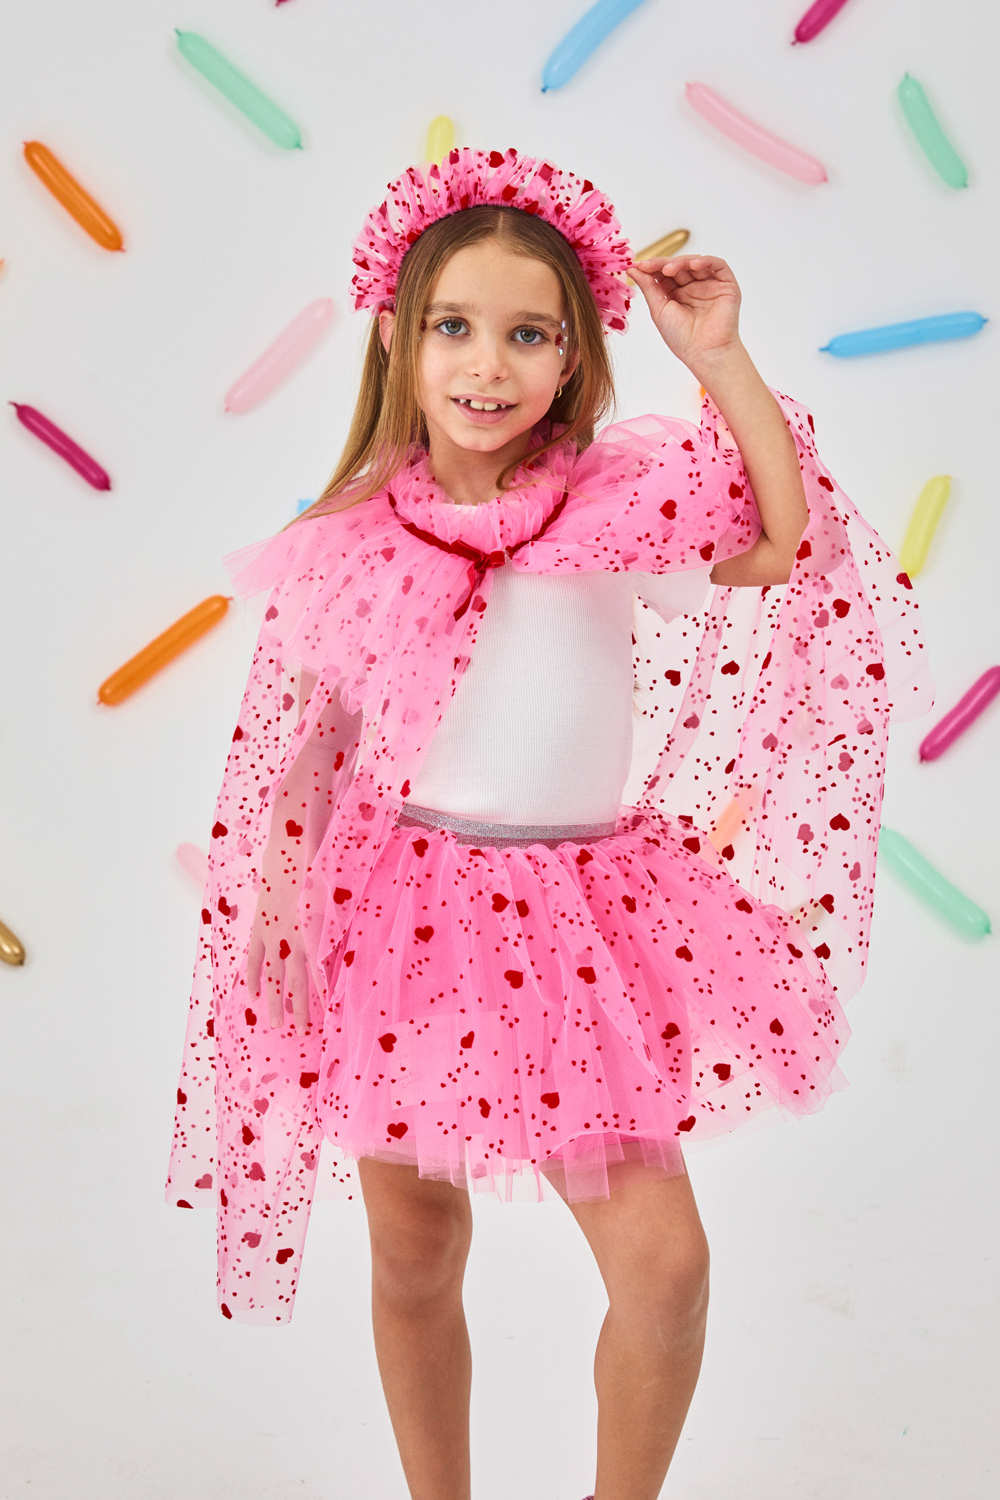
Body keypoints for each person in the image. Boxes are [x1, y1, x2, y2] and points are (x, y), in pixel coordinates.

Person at [168, 149, 930, 1500]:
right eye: (455, 326)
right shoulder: (352, 541)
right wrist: (276, 916)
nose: (488, 364)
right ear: (398, 338)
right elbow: (310, 749)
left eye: (530, 334)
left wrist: (720, 359)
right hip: (397, 919)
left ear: (575, 356)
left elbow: (779, 539)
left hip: (583, 927)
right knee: (413, 1252)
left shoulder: (613, 509)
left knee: (666, 1271)